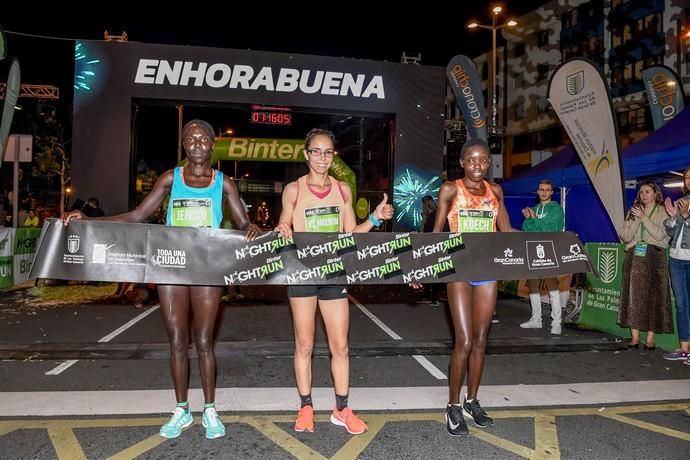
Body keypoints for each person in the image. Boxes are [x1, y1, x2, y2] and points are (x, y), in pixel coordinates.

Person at [63, 119, 261, 439]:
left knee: (204, 342)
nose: (197, 144)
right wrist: (88, 222)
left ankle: (210, 409)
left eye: (203, 140)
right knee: (177, 342)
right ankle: (181, 409)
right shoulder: (171, 179)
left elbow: (243, 223)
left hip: (207, 270)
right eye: (190, 139)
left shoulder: (224, 183)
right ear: (184, 145)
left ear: (213, 145)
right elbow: (138, 216)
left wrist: (252, 228)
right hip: (171, 268)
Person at [274, 128, 393, 435]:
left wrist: (376, 219)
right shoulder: (293, 190)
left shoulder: (342, 190)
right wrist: (282, 227)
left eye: (328, 152)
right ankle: (306, 406)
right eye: (316, 151)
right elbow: (284, 223)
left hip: (333, 273)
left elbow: (350, 233)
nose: (322, 158)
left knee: (340, 346)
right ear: (306, 154)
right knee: (305, 344)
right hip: (301, 273)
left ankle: (341, 408)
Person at [432, 138, 515, 436]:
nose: (478, 165)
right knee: (464, 341)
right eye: (472, 160)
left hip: (487, 270)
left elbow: (506, 232)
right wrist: (423, 266)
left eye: (483, 160)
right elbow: (436, 234)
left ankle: (472, 401)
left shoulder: (495, 192)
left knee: (481, 340)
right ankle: (452, 406)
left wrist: (549, 241)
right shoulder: (450, 189)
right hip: (459, 271)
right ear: (462, 162)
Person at [617, 181, 672, 350]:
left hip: (655, 257)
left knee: (654, 296)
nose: (644, 195)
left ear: (656, 194)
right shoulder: (633, 212)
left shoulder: (664, 212)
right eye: (641, 192)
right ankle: (634, 337)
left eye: (648, 191)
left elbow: (660, 235)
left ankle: (650, 339)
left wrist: (644, 218)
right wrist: (637, 220)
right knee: (634, 296)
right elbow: (625, 237)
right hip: (635, 256)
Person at [520, 179, 565, 334]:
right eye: (541, 189)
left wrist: (534, 220)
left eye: (547, 190)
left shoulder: (556, 209)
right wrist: (530, 220)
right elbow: (527, 230)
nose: (544, 192)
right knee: (532, 285)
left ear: (552, 192)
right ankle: (536, 319)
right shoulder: (534, 208)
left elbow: (551, 229)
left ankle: (556, 323)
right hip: (534, 250)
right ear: (537, 191)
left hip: (550, 251)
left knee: (552, 286)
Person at [662, 166, 690, 363]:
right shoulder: (683, 201)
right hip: (676, 258)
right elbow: (673, 233)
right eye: (687, 177)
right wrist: (673, 217)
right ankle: (684, 349)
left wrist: (687, 218)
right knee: (681, 305)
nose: (688, 180)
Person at [417, 195, 441, 306]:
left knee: (429, 271)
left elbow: (425, 232)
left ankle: (432, 297)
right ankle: (432, 296)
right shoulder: (437, 214)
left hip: (430, 246)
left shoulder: (430, 217)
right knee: (434, 271)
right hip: (436, 245)